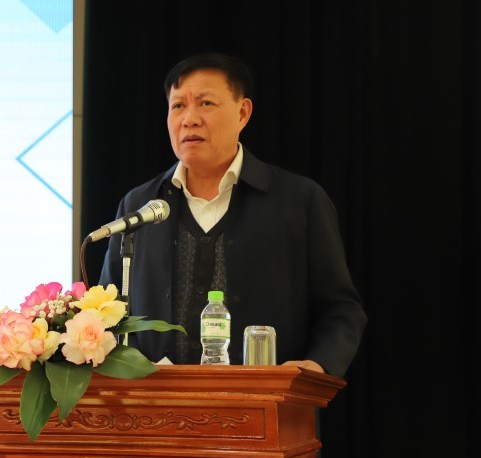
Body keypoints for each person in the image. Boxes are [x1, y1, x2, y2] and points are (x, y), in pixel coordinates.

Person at [99, 52, 367, 377]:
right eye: (178, 105)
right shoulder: (140, 206)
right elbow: (106, 310)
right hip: (156, 399)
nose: (189, 119)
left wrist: (318, 365)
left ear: (242, 113)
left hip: (265, 398)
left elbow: (340, 308)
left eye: (206, 103)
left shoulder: (299, 200)